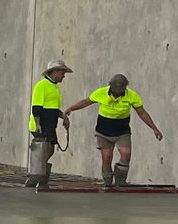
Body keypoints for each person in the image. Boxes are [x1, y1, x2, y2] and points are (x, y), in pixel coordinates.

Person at [66, 72, 162, 190]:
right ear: (110, 86)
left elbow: (141, 112)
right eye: (114, 92)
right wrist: (71, 108)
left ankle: (120, 181)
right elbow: (86, 101)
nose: (117, 95)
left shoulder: (131, 96)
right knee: (107, 157)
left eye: (120, 92)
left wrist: (154, 128)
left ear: (125, 88)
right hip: (103, 131)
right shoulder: (101, 92)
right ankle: (107, 182)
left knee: (126, 154)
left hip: (122, 130)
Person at [25, 59, 72, 189]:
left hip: (50, 124)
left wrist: (63, 116)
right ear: (55, 72)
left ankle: (38, 177)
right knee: (44, 150)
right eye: (62, 73)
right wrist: (38, 124)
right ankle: (37, 178)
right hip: (42, 124)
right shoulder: (42, 85)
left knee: (48, 150)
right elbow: (37, 107)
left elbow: (52, 108)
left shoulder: (53, 87)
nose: (63, 76)